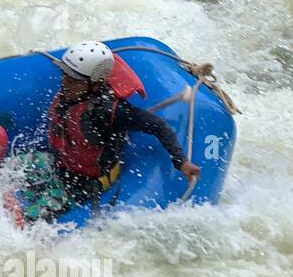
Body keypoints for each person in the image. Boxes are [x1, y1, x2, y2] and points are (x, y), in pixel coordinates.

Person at [40, 40, 200, 213]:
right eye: (65, 74)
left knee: (35, 217)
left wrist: (181, 161)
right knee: (11, 169)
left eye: (74, 79)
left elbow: (157, 126)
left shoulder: (109, 111)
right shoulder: (71, 95)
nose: (65, 83)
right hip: (60, 164)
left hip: (85, 181)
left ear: (94, 83)